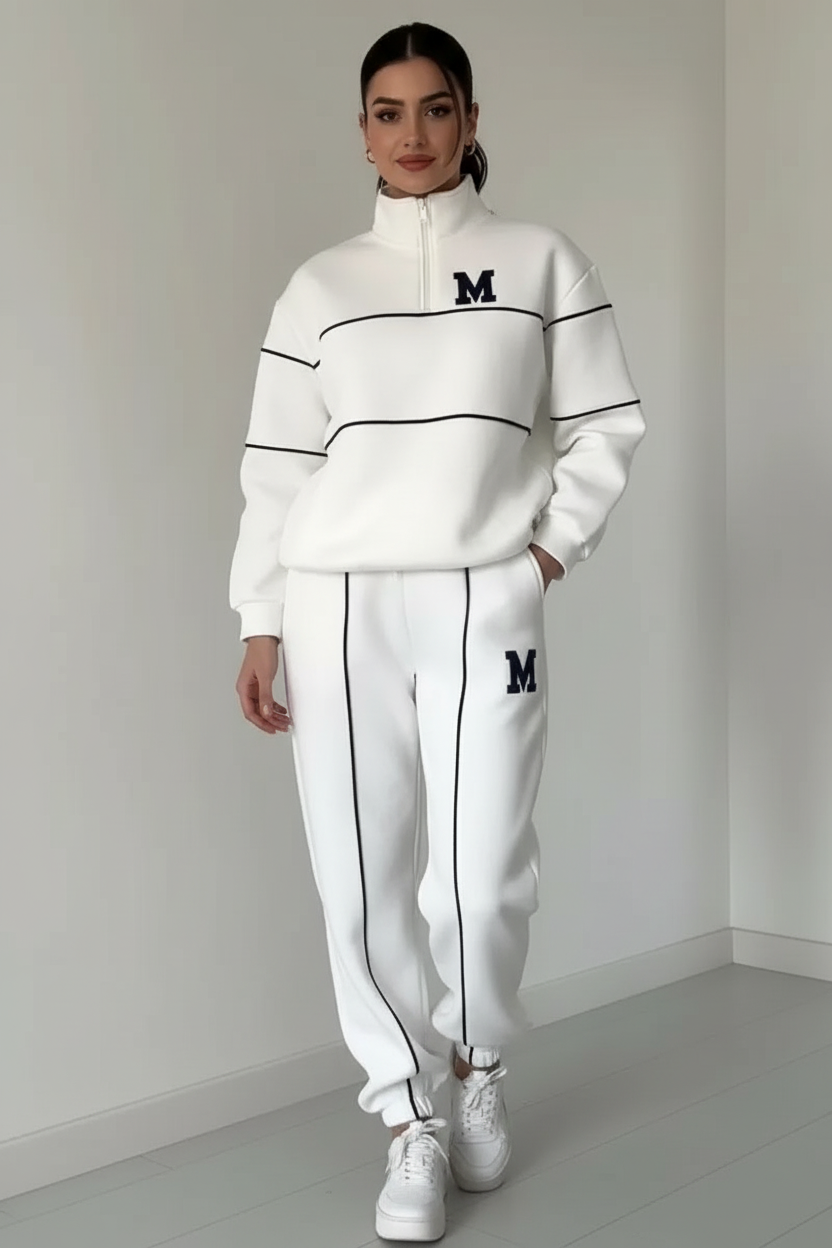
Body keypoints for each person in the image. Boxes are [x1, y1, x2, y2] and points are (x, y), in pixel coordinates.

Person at [229, 21, 645, 1244]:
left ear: (469, 119)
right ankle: (406, 1118)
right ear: (361, 131)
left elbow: (607, 423)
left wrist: (545, 554)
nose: (411, 134)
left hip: (482, 595)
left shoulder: (541, 261)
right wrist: (261, 619)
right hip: (337, 598)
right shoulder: (319, 289)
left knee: (479, 871)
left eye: (435, 107)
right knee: (358, 877)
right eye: (387, 111)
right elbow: (276, 466)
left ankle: (477, 1067)